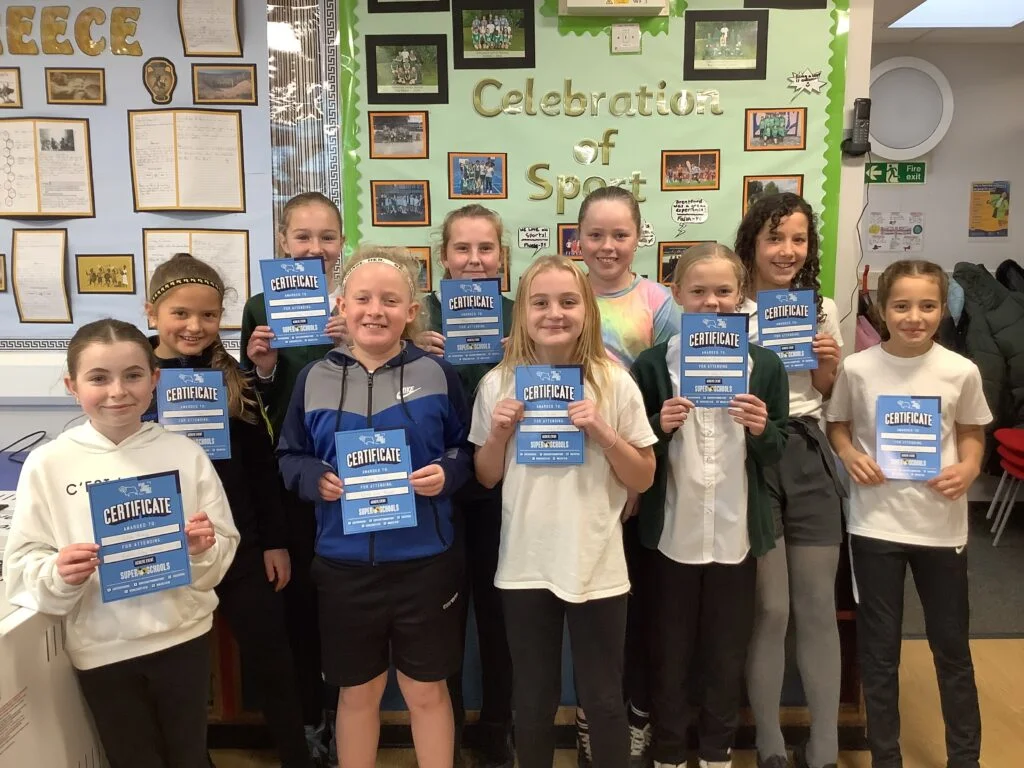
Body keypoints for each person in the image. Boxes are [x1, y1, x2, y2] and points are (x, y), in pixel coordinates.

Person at [3, 318, 239, 768]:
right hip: (103, 648)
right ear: (72, 385)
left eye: (132, 375)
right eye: (98, 378)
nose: (118, 392)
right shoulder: (49, 464)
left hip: (183, 638)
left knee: (188, 755)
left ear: (154, 380)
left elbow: (223, 543)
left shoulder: (184, 453)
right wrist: (58, 573)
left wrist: (202, 550)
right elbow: (24, 564)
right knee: (132, 757)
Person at [277, 246, 473, 768]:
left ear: (410, 311)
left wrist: (448, 473)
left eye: (390, 300)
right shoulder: (312, 378)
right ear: (341, 306)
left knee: (427, 693)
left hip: (425, 564)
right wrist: (312, 477)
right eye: (362, 298)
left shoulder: (438, 373)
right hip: (344, 567)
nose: (375, 310)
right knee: (356, 694)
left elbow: (465, 448)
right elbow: (289, 454)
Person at [472, 255, 658, 768]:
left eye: (568, 301)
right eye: (541, 302)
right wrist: (498, 435)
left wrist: (603, 431)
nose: (555, 313)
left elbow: (643, 476)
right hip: (525, 566)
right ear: (523, 313)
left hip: (597, 564)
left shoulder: (615, 383)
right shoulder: (498, 384)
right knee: (531, 702)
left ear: (587, 311)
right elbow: (487, 475)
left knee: (602, 700)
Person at [145, 253, 316, 768]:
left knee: (271, 656)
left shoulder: (235, 380)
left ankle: (297, 756)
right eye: (180, 313)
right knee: (176, 666)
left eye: (209, 315)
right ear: (152, 312)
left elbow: (262, 470)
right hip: (162, 540)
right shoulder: (135, 376)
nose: (194, 326)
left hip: (238, 543)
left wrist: (275, 542)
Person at [826, 259, 991, 768]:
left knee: (952, 650)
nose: (913, 316)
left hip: (941, 527)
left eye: (927, 305)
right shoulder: (858, 368)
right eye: (901, 305)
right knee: (879, 652)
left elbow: (970, 431)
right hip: (875, 525)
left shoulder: (960, 371)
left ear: (943, 309)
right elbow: (839, 425)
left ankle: (965, 758)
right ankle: (886, 757)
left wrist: (968, 468)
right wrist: (850, 455)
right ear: (880, 308)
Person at [631, 243, 788, 768]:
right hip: (671, 533)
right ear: (676, 296)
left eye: (724, 291)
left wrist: (765, 430)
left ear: (741, 295)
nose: (712, 302)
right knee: (669, 652)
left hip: (734, 534)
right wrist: (658, 428)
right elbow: (633, 449)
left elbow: (778, 448)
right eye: (698, 291)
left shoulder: (764, 365)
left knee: (725, 655)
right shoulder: (653, 365)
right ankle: (670, 751)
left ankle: (717, 752)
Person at [735, 193, 846, 768]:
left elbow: (828, 393)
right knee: (771, 609)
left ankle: (824, 744)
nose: (786, 251)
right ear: (752, 242)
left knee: (815, 606)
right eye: (775, 238)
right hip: (753, 456)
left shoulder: (821, 309)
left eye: (798, 240)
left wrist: (827, 366)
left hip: (808, 453)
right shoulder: (730, 311)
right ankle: (771, 743)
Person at [241, 191, 347, 759]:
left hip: (352, 475)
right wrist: (261, 366)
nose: (313, 249)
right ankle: (312, 723)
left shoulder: (357, 303)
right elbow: (250, 408)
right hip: (291, 480)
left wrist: (351, 341)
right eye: (302, 237)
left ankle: (346, 718)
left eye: (325, 237)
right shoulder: (260, 308)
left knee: (348, 609)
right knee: (301, 611)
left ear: (341, 243)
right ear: (282, 241)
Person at [577, 185, 679, 768]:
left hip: (635, 467)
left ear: (638, 237)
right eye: (596, 234)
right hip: (573, 474)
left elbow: (668, 392)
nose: (608, 246)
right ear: (579, 239)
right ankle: (594, 715)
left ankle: (633, 716)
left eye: (620, 234)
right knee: (588, 606)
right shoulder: (564, 296)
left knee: (632, 605)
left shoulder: (659, 304)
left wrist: (637, 481)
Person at [416, 205, 516, 768]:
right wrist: (418, 354)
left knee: (500, 616)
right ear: (443, 257)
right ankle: (445, 735)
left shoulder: (520, 313)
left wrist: (517, 356)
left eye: (485, 249)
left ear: (502, 256)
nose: (474, 260)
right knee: (444, 617)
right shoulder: (421, 316)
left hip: (505, 487)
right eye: (462, 249)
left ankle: (498, 728)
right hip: (440, 487)